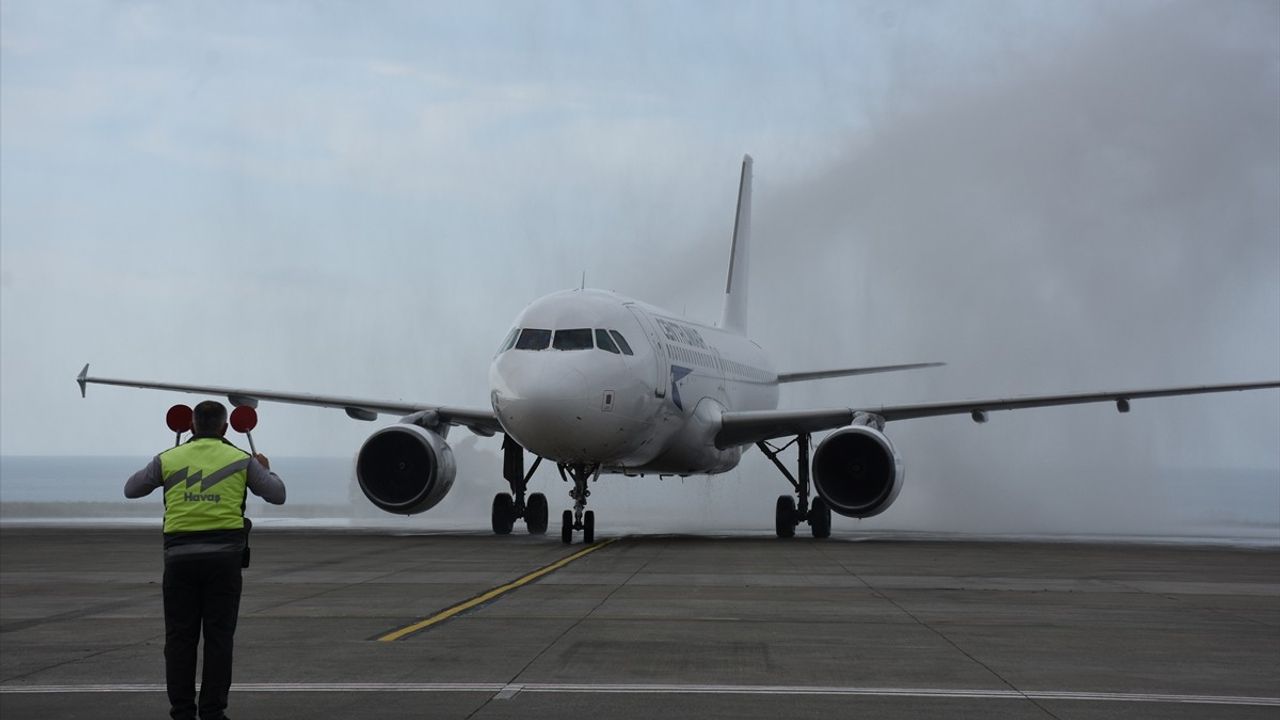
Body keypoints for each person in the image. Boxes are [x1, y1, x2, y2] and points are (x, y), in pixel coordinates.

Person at [125, 400, 286, 720]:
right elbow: (277, 494)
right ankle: (212, 712)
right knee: (219, 638)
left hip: (179, 561)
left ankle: (182, 712)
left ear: (192, 426)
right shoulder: (241, 460)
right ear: (225, 428)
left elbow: (131, 489)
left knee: (180, 639)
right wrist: (265, 469)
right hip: (223, 563)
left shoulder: (168, 459)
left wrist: (165, 464)